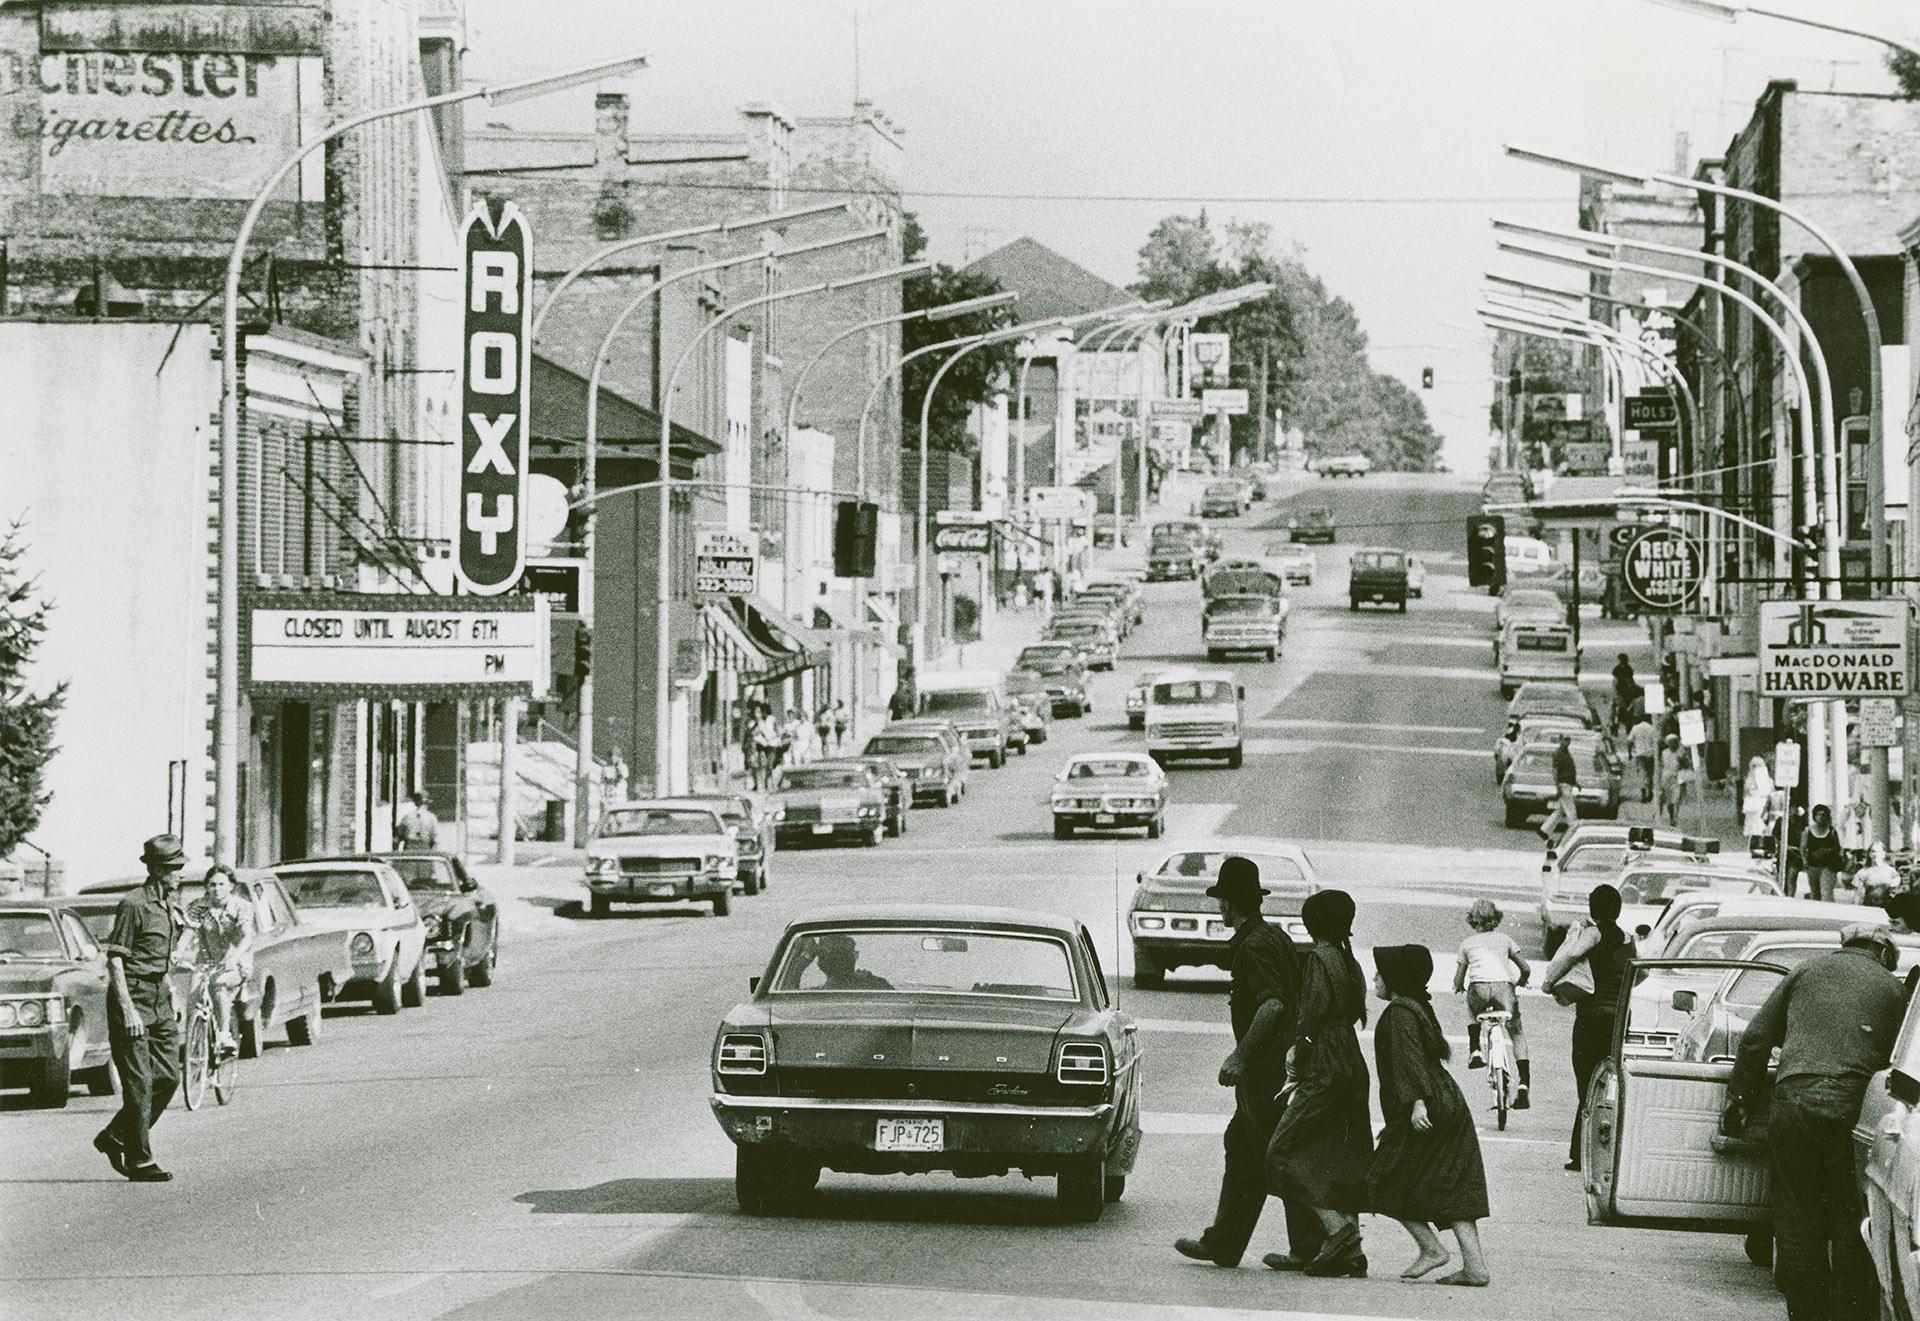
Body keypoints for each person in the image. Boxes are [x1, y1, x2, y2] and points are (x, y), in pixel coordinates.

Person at [1727, 926, 1903, 1321]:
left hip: (1794, 1102)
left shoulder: (1804, 972)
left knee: (1797, 1219)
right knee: (1852, 1221)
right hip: (1853, 1109)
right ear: (1883, 951)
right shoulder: (1893, 989)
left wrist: (1740, 1098)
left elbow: (1756, 1039)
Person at [1173, 857, 1322, 1271]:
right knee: (1244, 1147)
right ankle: (1225, 1242)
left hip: (1267, 1070)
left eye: (1221, 900)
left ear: (1229, 903)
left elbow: (1272, 1004)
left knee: (1277, 1152)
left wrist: (1240, 1056)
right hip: (1281, 1066)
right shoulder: (1273, 937)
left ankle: (1313, 1244)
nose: (1219, 908)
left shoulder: (1253, 947)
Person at [1368, 944, 1492, 1287]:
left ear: (1395, 978)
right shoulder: (1416, 1007)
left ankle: (1431, 1248)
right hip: (1448, 1100)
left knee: (1383, 1177)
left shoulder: (1399, 1013)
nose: (1375, 978)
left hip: (1425, 1104)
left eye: (1380, 973)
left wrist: (1417, 1103)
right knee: (1453, 1184)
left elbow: (1409, 1058)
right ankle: (1475, 1267)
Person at [1264, 889, 1373, 1278]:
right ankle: (1352, 1253)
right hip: (1351, 1059)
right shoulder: (1348, 959)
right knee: (1342, 1153)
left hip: (1324, 1060)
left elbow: (1310, 1014)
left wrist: (1296, 1049)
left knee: (1282, 1150)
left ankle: (1339, 1233)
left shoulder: (1318, 960)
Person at [92, 834, 188, 1182]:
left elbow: (162, 960)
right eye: (175, 868)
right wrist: (128, 1010)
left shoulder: (168, 905)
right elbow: (115, 961)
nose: (179, 874)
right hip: (131, 996)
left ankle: (115, 1135)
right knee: (139, 1084)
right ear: (158, 870)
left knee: (169, 1077)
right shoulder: (133, 905)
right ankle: (139, 1159)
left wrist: (171, 991)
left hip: (159, 996)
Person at [1541, 883, 1633, 1172]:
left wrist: (1549, 982)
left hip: (1591, 1018)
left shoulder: (1590, 935)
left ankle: (1581, 1153)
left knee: (1587, 1084)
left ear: (1593, 909)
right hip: (1618, 1019)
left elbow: (1568, 957)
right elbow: (1639, 973)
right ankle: (1612, 1152)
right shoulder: (1628, 940)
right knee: (1612, 1082)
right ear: (1618, 910)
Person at [1453, 899, 1530, 1109]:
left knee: (1469, 1007)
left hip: (1479, 990)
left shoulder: (1467, 943)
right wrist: (1521, 981)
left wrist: (1459, 987)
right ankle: (1524, 1085)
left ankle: (1475, 1049)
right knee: (1516, 1031)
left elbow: (1459, 978)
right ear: (1496, 918)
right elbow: (1525, 968)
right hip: (1504, 989)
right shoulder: (1505, 939)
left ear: (1472, 920)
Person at [186, 863, 255, 1057]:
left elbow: (247, 936)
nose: (217, 889)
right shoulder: (198, 906)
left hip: (236, 961)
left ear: (231, 885)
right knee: (192, 999)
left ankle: (224, 1035)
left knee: (219, 985)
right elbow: (189, 932)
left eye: (221, 884)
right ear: (207, 886)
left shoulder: (242, 907)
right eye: (212, 884)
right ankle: (196, 1044)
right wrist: (177, 951)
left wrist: (235, 957)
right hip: (206, 962)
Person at [804, 933, 892, 990]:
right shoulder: (878, 985)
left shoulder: (811, 996)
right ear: (855, 956)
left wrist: (802, 962)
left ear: (819, 962)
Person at [1538, 735, 1580, 842]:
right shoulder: (1558, 753)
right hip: (1563, 785)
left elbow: (1569, 770)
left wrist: (1575, 783)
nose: (1568, 742)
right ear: (1560, 740)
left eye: (1569, 739)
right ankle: (1573, 834)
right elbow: (1555, 771)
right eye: (1565, 739)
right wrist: (1557, 786)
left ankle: (1544, 830)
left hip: (1568, 784)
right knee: (1571, 813)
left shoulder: (1566, 753)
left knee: (1560, 811)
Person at [1804, 804, 1845, 902]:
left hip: (1828, 866)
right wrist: (1804, 861)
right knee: (1815, 893)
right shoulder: (1808, 830)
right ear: (1814, 816)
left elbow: (1838, 847)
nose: (1821, 817)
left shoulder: (1831, 831)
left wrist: (1826, 851)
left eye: (1824, 815)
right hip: (1813, 866)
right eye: (1819, 814)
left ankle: (1829, 912)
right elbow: (1803, 847)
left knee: (1826, 893)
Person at [1743, 756, 1777, 856]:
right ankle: (1755, 849)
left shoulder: (1767, 779)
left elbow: (1771, 792)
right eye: (1754, 766)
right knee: (1755, 828)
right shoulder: (1749, 780)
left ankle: (1766, 848)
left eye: (1759, 766)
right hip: (1754, 808)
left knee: (1766, 828)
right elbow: (1747, 792)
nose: (1756, 768)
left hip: (1764, 807)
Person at [1628, 713, 1658, 805]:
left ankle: (1643, 794)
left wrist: (1629, 752)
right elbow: (1656, 742)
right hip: (1650, 754)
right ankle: (1650, 792)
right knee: (1650, 774)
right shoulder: (1652, 728)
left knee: (1642, 774)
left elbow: (1629, 741)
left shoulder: (1635, 728)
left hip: (1639, 754)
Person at [751, 709, 784, 789]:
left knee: (770, 765)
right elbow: (755, 732)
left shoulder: (772, 719)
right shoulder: (759, 721)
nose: (762, 714)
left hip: (772, 744)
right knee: (763, 764)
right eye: (761, 712)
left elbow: (777, 730)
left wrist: (777, 739)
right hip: (762, 745)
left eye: (763, 712)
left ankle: (770, 782)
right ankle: (765, 783)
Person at [1610, 653, 1637, 731]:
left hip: (1623, 692)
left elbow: (1615, 681)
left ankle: (1615, 725)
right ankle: (1619, 725)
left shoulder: (1618, 668)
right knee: (1622, 709)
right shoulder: (1626, 668)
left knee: (1616, 709)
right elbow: (1630, 680)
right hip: (1624, 692)